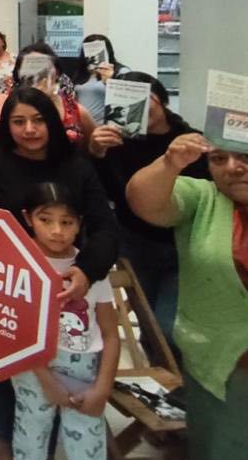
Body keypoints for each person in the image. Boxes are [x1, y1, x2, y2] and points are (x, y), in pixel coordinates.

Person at [0, 87, 119, 460]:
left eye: (38, 120)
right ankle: (5, 444)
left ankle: (46, 451)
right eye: (18, 121)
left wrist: (87, 271)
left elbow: (105, 225)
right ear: (6, 125)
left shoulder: (76, 165)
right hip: (4, 286)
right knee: (0, 368)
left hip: (65, 282)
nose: (29, 129)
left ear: (53, 122)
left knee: (56, 368)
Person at [127, 132, 248, 460]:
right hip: (219, 378)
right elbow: (142, 198)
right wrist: (171, 163)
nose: (233, 168)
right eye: (219, 159)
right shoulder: (204, 200)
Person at [88, 72, 208, 351]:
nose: (142, 105)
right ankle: (161, 377)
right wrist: (96, 153)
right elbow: (107, 192)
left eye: (147, 97)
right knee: (146, 317)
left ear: (162, 99)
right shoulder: (117, 142)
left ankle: (177, 378)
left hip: (182, 244)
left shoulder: (189, 141)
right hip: (136, 241)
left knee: (168, 324)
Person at [11, 182, 118, 460]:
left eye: (67, 222)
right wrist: (46, 380)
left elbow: (110, 333)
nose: (57, 230)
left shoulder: (90, 269)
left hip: (84, 368)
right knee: (30, 438)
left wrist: (102, 388)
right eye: (46, 220)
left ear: (79, 224)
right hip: (32, 366)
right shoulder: (17, 265)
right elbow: (15, 329)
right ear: (27, 218)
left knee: (87, 447)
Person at [0, 43, 95, 149]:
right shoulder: (3, 102)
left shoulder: (75, 110)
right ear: (19, 73)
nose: (37, 74)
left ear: (57, 72)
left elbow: (94, 148)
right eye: (30, 68)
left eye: (44, 68)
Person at [73, 33, 127, 114]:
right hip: (82, 123)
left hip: (104, 124)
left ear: (108, 51)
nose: (94, 54)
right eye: (90, 50)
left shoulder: (121, 71)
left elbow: (125, 99)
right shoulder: (83, 72)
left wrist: (110, 81)